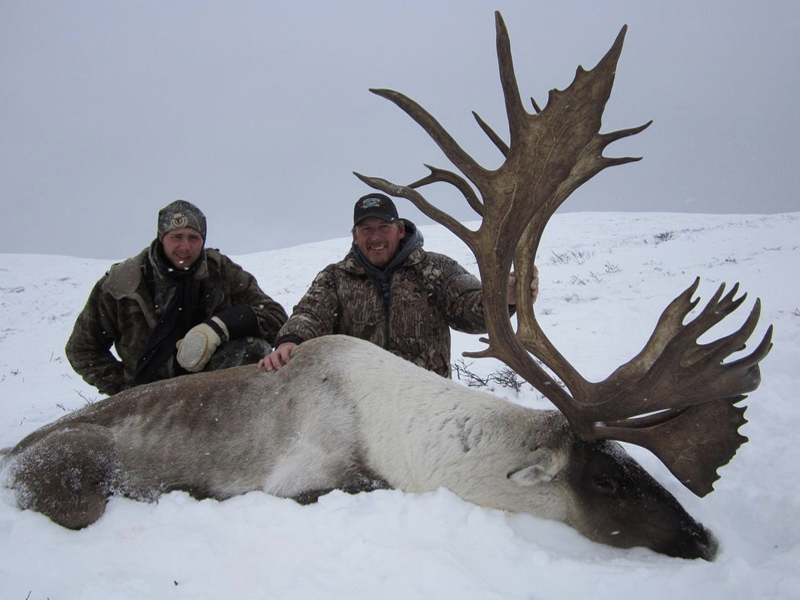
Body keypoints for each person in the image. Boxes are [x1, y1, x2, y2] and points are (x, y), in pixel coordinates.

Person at [259, 193, 538, 377]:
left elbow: (469, 305)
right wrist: (290, 341)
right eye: (366, 229)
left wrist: (507, 298)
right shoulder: (335, 278)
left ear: (400, 230)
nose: (375, 236)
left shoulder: (437, 269)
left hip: (428, 400)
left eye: (383, 227)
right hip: (358, 403)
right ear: (355, 236)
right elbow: (310, 314)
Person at [66, 200, 288, 396]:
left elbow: (275, 316)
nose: (185, 247)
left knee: (252, 349)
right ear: (162, 238)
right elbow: (82, 349)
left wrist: (219, 327)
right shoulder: (122, 284)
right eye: (177, 237)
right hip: (150, 400)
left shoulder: (221, 272)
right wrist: (125, 389)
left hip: (213, 391)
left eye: (193, 238)